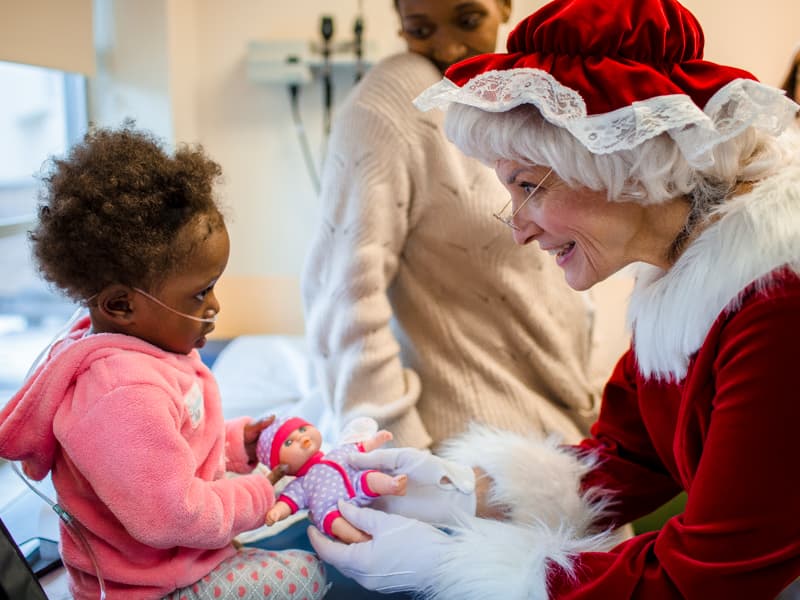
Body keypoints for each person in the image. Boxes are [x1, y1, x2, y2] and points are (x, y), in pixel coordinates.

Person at [305, 0, 800, 597]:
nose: (518, 229)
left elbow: (708, 576)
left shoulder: (778, 305)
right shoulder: (689, 268)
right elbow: (624, 458)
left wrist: (451, 565)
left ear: (626, 162)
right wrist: (457, 491)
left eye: (529, 186)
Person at [0, 125, 327, 600]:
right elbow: (174, 514)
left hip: (177, 563)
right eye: (199, 293)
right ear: (120, 305)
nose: (214, 306)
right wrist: (263, 489)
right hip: (149, 590)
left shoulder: (147, 352)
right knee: (309, 572)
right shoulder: (121, 394)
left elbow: (177, 443)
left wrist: (239, 444)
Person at [302, 0, 602, 453]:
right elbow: (342, 293)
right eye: (421, 29)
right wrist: (398, 456)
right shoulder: (390, 104)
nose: (449, 47)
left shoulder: (516, 94)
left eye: (467, 21)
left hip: (563, 422)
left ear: (504, 6)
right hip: (466, 449)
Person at [259, 416, 406, 543]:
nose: (301, 437)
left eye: (302, 430)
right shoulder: (300, 485)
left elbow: (361, 448)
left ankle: (392, 485)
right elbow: (288, 502)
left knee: (370, 477)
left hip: (356, 484)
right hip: (330, 509)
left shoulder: (338, 452)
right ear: (280, 467)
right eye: (289, 443)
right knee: (334, 523)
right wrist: (277, 512)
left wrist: (378, 439)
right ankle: (360, 539)